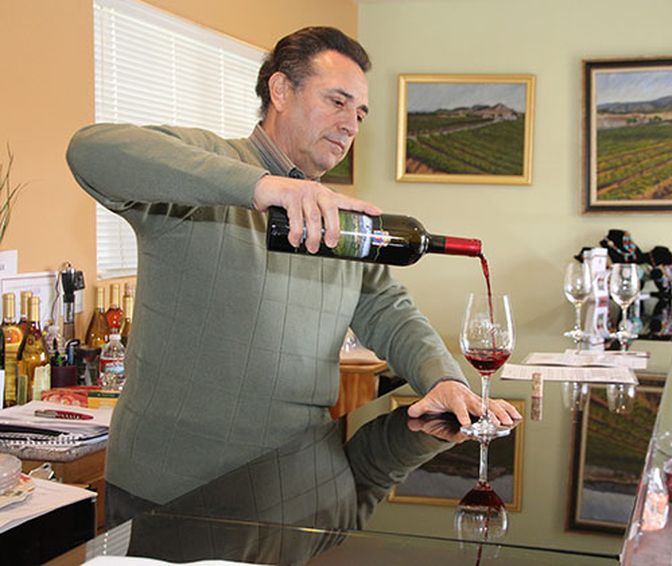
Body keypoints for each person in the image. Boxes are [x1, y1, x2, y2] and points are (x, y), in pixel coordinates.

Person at [66, 26, 520, 517]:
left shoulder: (338, 219)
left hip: (300, 490)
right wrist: (261, 187)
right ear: (280, 91)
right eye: (337, 102)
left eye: (360, 113)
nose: (351, 124)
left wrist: (443, 378)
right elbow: (91, 151)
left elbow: (388, 308)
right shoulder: (211, 166)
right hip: (176, 495)